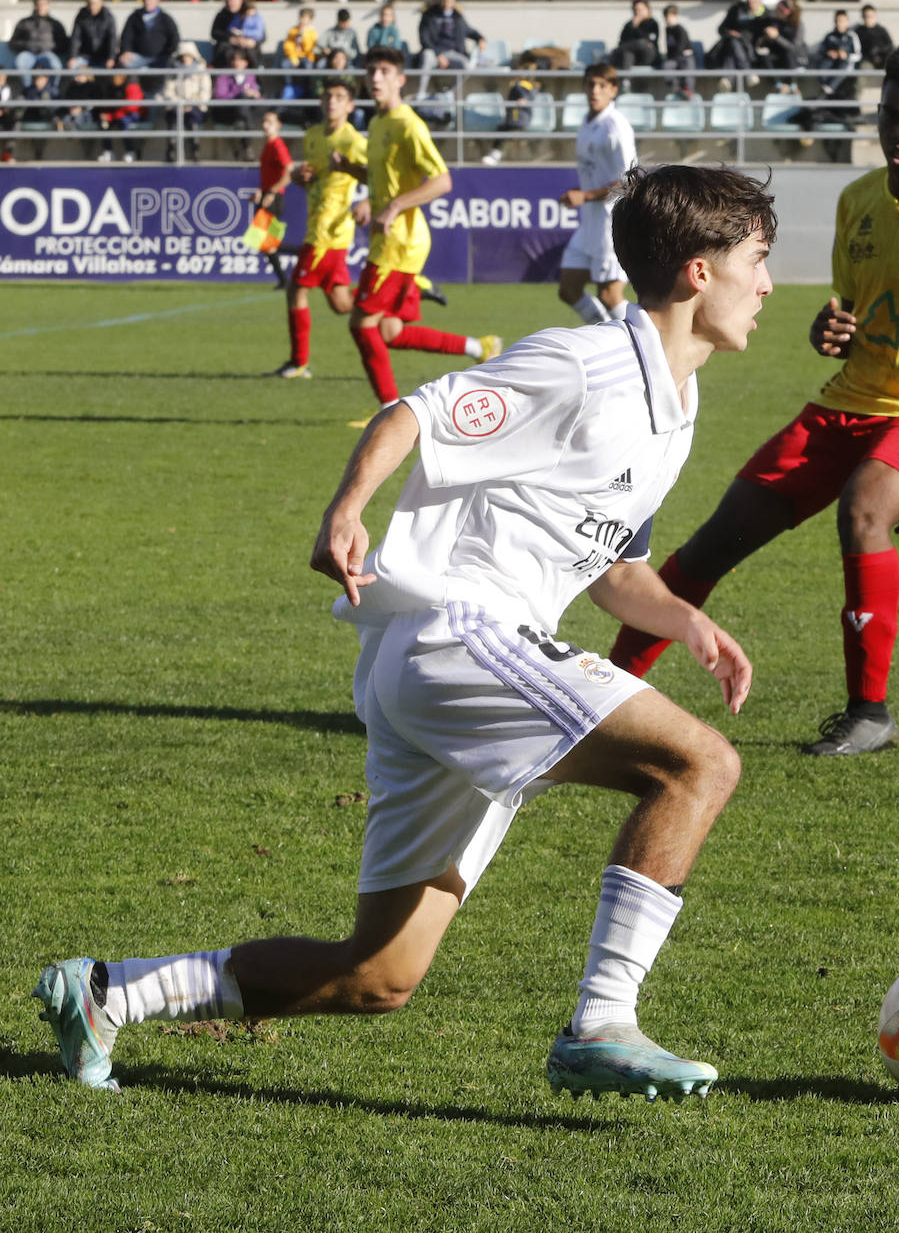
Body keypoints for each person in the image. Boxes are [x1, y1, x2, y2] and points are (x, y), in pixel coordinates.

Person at [33, 163, 774, 1105]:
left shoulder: (678, 401)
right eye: (757, 259)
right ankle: (601, 1024)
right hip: (457, 634)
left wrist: (687, 619)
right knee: (699, 764)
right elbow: (415, 411)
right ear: (701, 272)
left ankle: (108, 993)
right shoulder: (587, 364)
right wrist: (347, 509)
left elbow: (611, 566)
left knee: (380, 974)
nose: (767, 284)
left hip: (438, 666)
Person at [609, 43, 899, 758]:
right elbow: (851, 314)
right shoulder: (859, 202)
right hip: (845, 403)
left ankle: (869, 714)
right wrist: (831, 329)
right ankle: (605, 694)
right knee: (718, 538)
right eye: (890, 115)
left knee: (864, 510)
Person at [329, 46, 502, 422]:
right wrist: (349, 169)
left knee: (361, 323)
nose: (375, 77)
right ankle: (481, 347)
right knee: (389, 331)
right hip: (389, 239)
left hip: (400, 242)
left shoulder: (408, 124)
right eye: (371, 71)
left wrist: (393, 207)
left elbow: (442, 181)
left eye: (384, 71)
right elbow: (382, 178)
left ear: (401, 79)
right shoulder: (377, 123)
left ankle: (390, 411)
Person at [272, 79, 369, 375]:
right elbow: (311, 179)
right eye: (327, 96)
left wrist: (369, 201)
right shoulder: (313, 135)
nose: (332, 101)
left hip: (330, 232)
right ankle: (404, 291)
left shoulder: (354, 141)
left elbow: (378, 176)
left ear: (350, 106)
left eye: (339, 97)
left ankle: (298, 363)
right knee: (342, 305)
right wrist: (301, 177)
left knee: (295, 290)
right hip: (316, 224)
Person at [557, 62, 638, 325]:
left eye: (602, 85)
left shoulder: (616, 127)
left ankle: (646, 340)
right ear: (583, 87)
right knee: (569, 289)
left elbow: (629, 181)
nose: (595, 90)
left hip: (611, 220)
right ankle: (608, 337)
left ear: (613, 90)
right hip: (590, 220)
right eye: (591, 84)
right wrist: (581, 193)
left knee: (610, 295)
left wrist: (586, 196)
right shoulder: (587, 122)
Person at [415, 0, 486, 101]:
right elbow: (424, 38)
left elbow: (469, 31)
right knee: (426, 55)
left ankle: (449, 92)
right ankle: (421, 93)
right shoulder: (429, 15)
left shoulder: (457, 17)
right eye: (445, 0)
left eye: (450, 0)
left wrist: (480, 38)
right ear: (441, 0)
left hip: (452, 52)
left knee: (466, 65)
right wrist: (438, 55)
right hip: (434, 51)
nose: (447, 3)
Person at [252, 109, 295, 284]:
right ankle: (283, 280)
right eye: (264, 121)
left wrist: (272, 192)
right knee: (261, 240)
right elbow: (271, 175)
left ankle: (304, 252)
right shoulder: (269, 145)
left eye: (270, 122)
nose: (265, 125)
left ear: (278, 125)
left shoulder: (277, 145)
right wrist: (261, 191)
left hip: (274, 199)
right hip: (267, 196)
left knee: (267, 242)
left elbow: (289, 171)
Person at [705, 0, 774, 85]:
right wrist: (730, 32)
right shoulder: (737, 10)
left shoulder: (767, 15)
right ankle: (747, 73)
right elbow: (721, 29)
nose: (750, 0)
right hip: (729, 48)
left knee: (733, 50)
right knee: (734, 42)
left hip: (752, 52)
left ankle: (727, 79)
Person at [481, 52, 541, 166]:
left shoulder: (520, 85)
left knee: (504, 130)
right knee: (502, 128)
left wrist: (522, 98)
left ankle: (496, 154)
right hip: (518, 118)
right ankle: (495, 153)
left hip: (518, 119)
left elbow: (525, 97)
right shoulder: (529, 85)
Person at [158, 40, 211, 161]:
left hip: (196, 106)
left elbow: (205, 92)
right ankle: (171, 150)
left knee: (193, 118)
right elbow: (168, 91)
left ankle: (195, 150)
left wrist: (191, 104)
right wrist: (179, 104)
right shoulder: (173, 71)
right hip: (176, 106)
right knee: (173, 116)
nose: (185, 58)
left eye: (188, 55)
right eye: (183, 56)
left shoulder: (201, 71)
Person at [10, 0, 70, 92]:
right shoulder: (24, 22)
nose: (41, 7)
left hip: (47, 53)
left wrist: (50, 47)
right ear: (34, 6)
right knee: (20, 64)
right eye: (38, 4)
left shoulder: (55, 24)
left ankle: (52, 91)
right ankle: (29, 91)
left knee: (56, 66)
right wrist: (27, 45)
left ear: (48, 5)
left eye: (44, 4)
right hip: (28, 53)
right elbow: (13, 42)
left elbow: (64, 43)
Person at [212, 47, 263, 155]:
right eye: (235, 60)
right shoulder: (224, 75)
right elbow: (220, 96)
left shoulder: (250, 75)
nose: (237, 63)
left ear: (246, 62)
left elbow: (257, 95)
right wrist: (241, 94)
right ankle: (247, 146)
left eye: (240, 60)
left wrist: (255, 94)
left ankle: (243, 145)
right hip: (228, 110)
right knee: (243, 103)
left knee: (247, 112)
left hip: (245, 111)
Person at [117, 0, 179, 75]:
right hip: (138, 57)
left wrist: (170, 54)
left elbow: (174, 38)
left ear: (157, 1)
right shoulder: (134, 17)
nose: (147, 1)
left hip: (160, 57)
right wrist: (126, 51)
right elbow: (126, 36)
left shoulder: (166, 18)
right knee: (122, 63)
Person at [812, 7, 861, 105]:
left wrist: (846, 56)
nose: (839, 23)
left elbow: (858, 55)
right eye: (837, 21)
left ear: (847, 22)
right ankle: (826, 91)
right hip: (830, 65)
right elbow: (821, 51)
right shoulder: (829, 36)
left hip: (845, 67)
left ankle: (827, 91)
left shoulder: (852, 36)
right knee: (823, 66)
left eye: (842, 21)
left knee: (844, 65)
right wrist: (829, 53)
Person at [96, 71, 145, 162]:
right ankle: (108, 152)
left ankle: (130, 152)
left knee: (124, 122)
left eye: (116, 76)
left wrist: (110, 116)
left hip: (134, 114)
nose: (113, 78)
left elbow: (130, 107)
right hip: (117, 114)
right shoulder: (112, 87)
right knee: (103, 123)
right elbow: (109, 104)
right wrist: (105, 114)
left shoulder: (132, 86)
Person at [210, 0, 265, 68]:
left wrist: (252, 42)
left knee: (252, 52)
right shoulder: (222, 15)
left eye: (232, 0)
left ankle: (254, 74)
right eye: (227, 1)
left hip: (248, 47)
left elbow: (262, 35)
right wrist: (231, 39)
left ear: (240, 0)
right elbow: (215, 33)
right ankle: (224, 75)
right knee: (224, 50)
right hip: (229, 47)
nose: (230, 3)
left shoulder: (251, 14)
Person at [610, 0, 661, 78]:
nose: (638, 12)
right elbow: (622, 41)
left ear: (647, 9)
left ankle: (616, 51)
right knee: (627, 54)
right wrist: (632, 27)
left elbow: (649, 41)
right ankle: (626, 81)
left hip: (648, 55)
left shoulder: (652, 23)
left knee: (641, 43)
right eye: (636, 9)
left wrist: (636, 28)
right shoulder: (629, 25)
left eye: (640, 9)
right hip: (634, 57)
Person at [68, 0, 117, 70]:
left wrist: (111, 58)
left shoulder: (108, 17)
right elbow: (76, 38)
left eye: (95, 3)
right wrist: (73, 57)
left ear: (101, 3)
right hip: (85, 56)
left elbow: (112, 39)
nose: (92, 6)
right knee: (72, 67)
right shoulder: (81, 17)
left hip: (103, 57)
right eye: (90, 3)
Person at [661, 4, 696, 96]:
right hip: (674, 58)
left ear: (675, 16)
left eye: (669, 17)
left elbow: (681, 47)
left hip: (683, 57)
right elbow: (669, 48)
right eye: (666, 17)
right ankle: (676, 89)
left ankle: (688, 90)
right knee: (667, 66)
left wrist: (678, 55)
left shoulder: (680, 30)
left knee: (686, 66)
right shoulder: (667, 29)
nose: (667, 20)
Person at [856, 4, 893, 71]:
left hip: (883, 59)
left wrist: (879, 52)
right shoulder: (859, 31)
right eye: (866, 16)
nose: (869, 19)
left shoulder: (881, 30)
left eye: (871, 16)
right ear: (862, 17)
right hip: (866, 60)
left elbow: (890, 46)